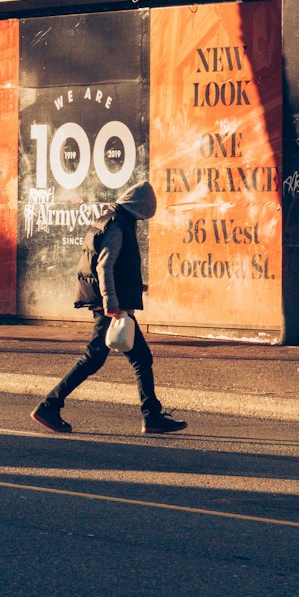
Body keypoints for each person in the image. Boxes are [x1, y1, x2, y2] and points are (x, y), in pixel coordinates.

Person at [31, 180, 187, 436]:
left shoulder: (114, 219)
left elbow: (117, 266)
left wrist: (135, 286)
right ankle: (49, 406)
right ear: (140, 208)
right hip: (111, 306)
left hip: (114, 302)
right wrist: (111, 301)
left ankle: (152, 416)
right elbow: (104, 266)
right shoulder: (118, 225)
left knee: (140, 358)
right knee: (95, 358)